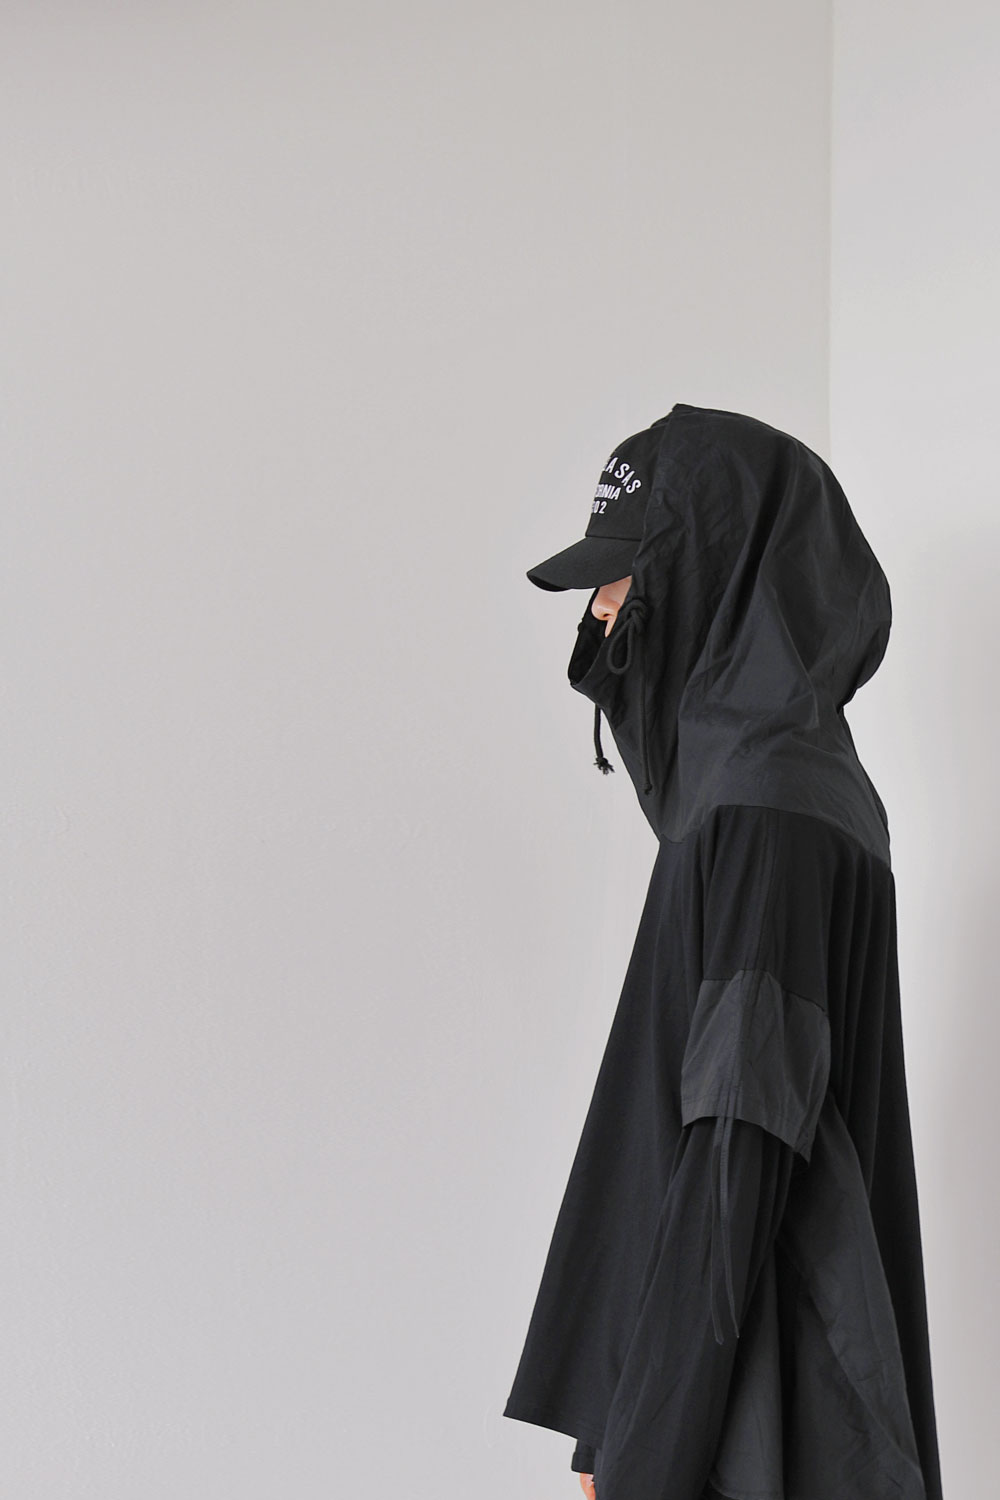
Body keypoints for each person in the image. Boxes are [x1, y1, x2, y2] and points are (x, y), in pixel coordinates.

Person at [503, 403, 944, 1500]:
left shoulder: (766, 814)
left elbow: (737, 1153)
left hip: (756, 1435)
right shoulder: (802, 795)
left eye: (621, 577)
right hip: (762, 1414)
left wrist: (641, 1455)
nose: (602, 614)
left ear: (718, 574)